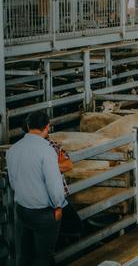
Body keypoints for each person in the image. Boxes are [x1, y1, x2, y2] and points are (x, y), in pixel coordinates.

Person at [7, 111, 66, 266]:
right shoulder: (46, 150)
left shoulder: (13, 149)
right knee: (43, 256)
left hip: (22, 209)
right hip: (43, 212)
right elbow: (53, 183)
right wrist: (58, 205)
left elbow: (13, 181)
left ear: (27, 126)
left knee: (25, 253)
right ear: (48, 126)